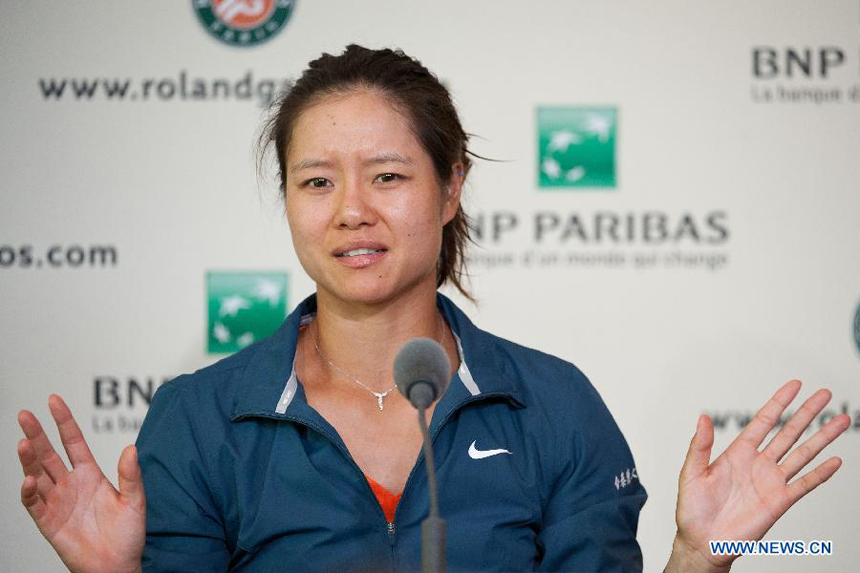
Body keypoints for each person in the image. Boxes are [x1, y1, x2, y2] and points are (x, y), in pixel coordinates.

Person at [17, 45, 850, 573]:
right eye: (316, 181)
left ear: (451, 188)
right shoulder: (197, 417)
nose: (351, 210)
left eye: (386, 176)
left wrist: (700, 557)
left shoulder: (554, 406)